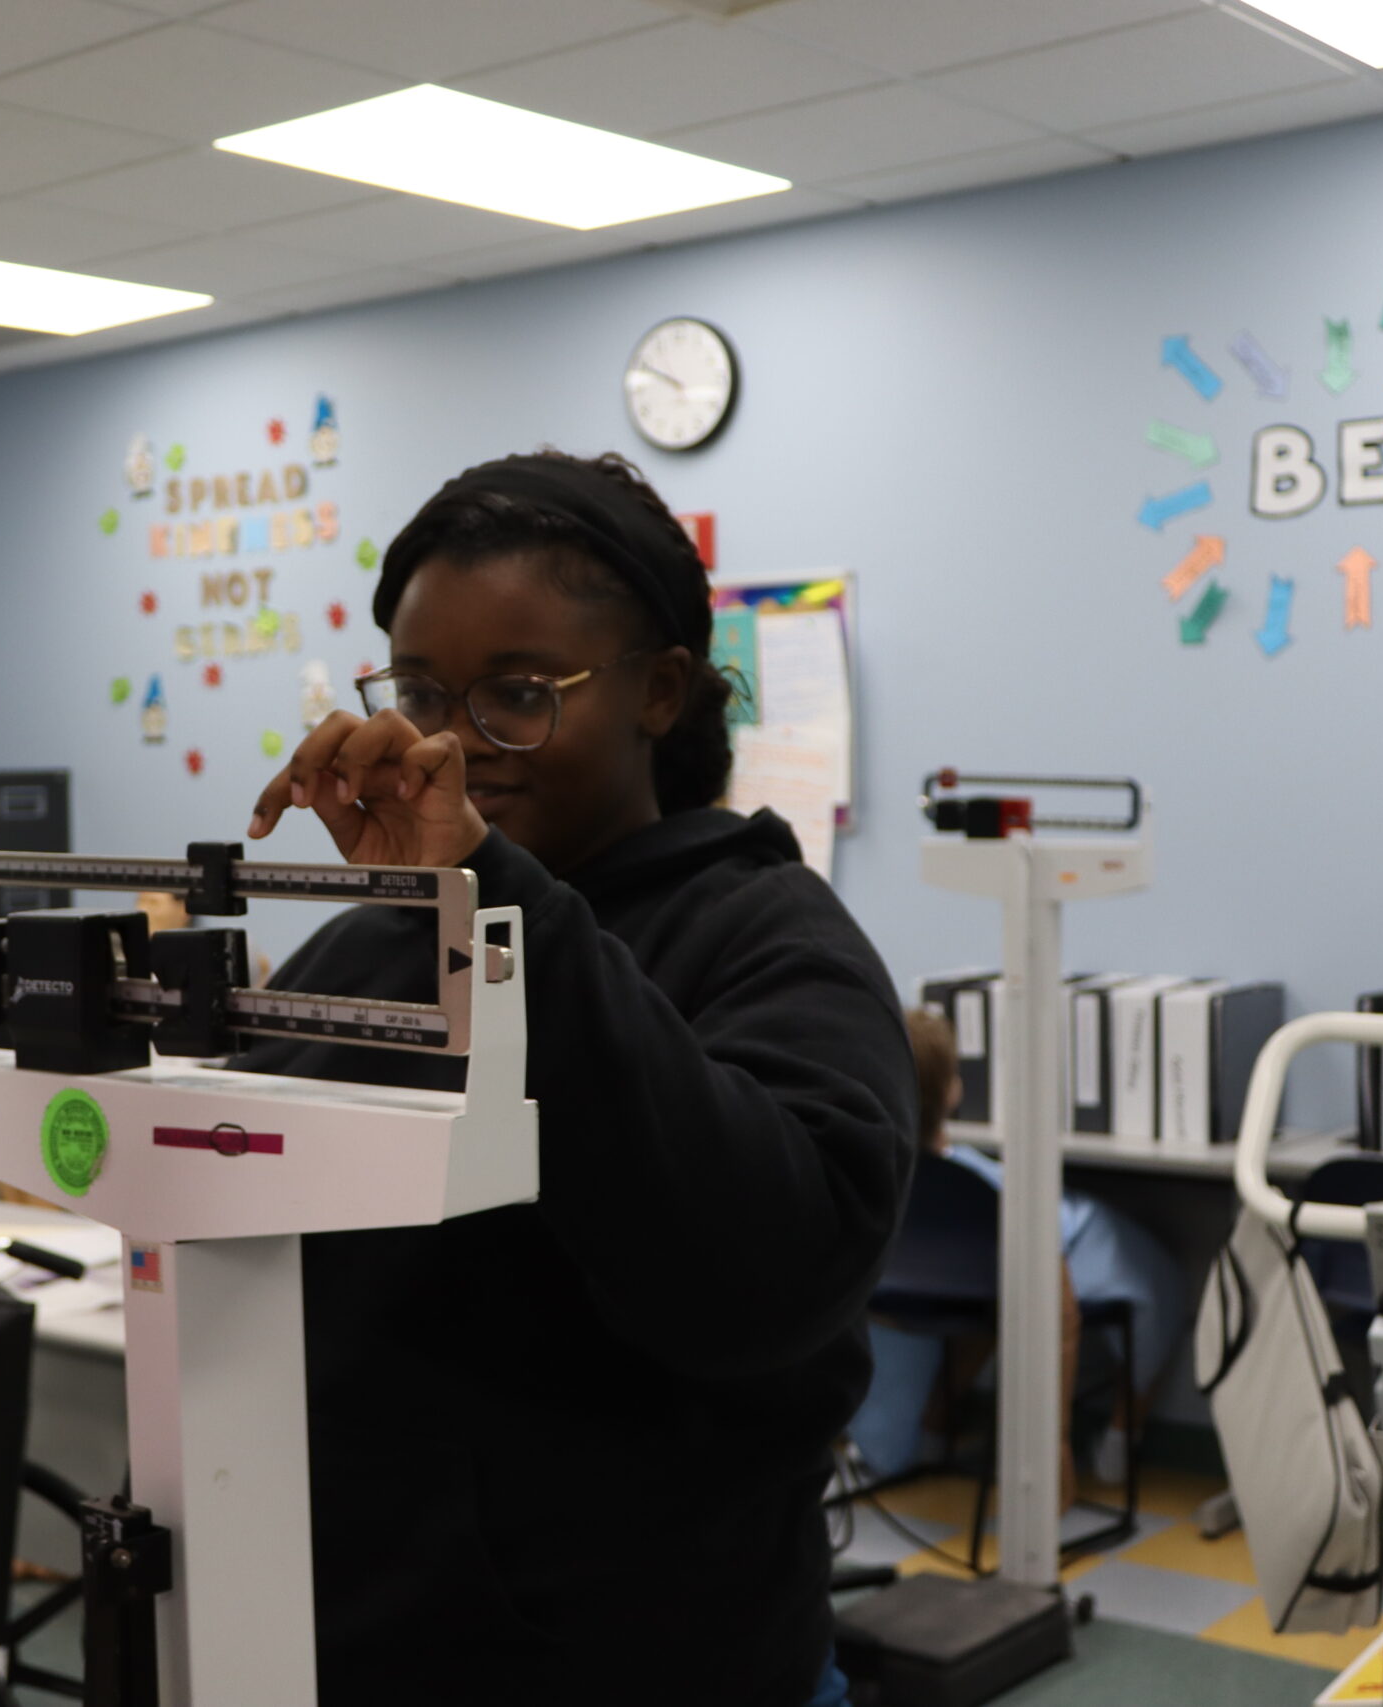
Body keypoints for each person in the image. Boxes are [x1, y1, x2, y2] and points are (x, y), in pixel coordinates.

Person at [237, 450, 917, 1706]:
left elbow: (768, 1270)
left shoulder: (770, 939)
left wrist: (499, 901)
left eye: (516, 694)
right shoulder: (375, 936)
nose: (451, 747)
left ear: (659, 691)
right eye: (422, 692)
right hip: (343, 1648)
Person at [847, 1008, 1185, 1489]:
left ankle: (933, 1426)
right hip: (1023, 1268)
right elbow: (1061, 1312)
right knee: (1159, 1279)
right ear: (953, 1092)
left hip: (941, 1288)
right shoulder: (985, 1187)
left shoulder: (877, 1180)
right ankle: (1119, 1438)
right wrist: (1057, 1445)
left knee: (993, 1302)